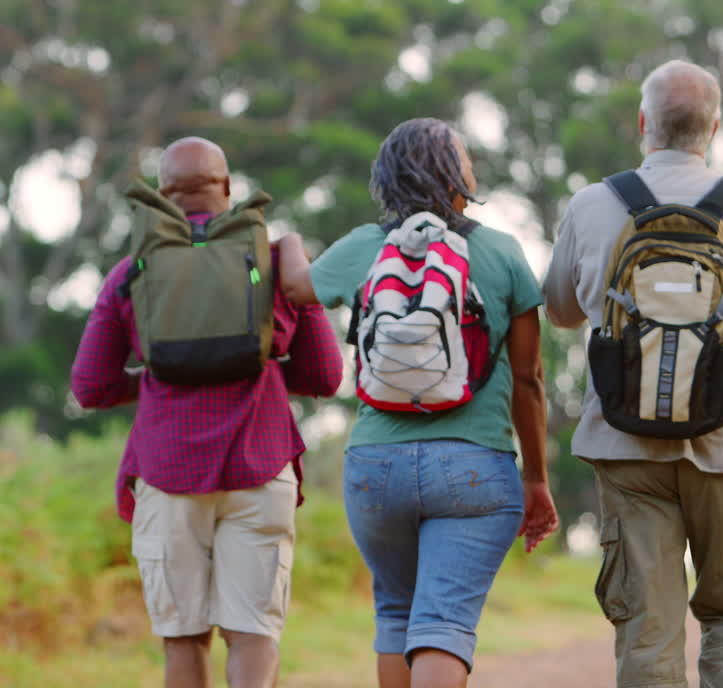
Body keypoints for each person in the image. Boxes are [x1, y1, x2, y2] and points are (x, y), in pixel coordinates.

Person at [542, 59, 723, 688]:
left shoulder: (594, 204)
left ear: (643, 123)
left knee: (647, 626)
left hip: (625, 443)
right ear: (714, 127)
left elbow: (563, 313)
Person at [276, 117, 559, 688]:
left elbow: (294, 288)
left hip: (375, 468)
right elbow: (528, 381)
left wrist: (283, 245)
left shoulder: (365, 247)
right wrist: (535, 479)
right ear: (456, 176)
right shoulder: (503, 253)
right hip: (475, 466)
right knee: (443, 623)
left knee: (396, 616)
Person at [71, 137, 345, 688]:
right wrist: (262, 368)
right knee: (252, 634)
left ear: (164, 197)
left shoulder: (132, 272)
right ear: (226, 187)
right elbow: (325, 376)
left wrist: (158, 377)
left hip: (168, 474)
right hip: (257, 466)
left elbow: (90, 386)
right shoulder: (273, 265)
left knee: (184, 638)